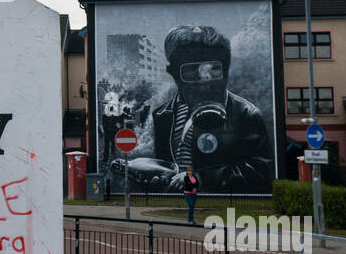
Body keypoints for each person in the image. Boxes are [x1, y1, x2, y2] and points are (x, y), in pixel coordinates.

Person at [112, 25, 272, 193]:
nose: (205, 80)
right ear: (173, 73)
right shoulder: (162, 116)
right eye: (191, 70)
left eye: (213, 68)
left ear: (225, 70)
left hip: (218, 207)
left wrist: (200, 180)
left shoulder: (246, 115)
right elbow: (169, 168)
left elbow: (259, 172)